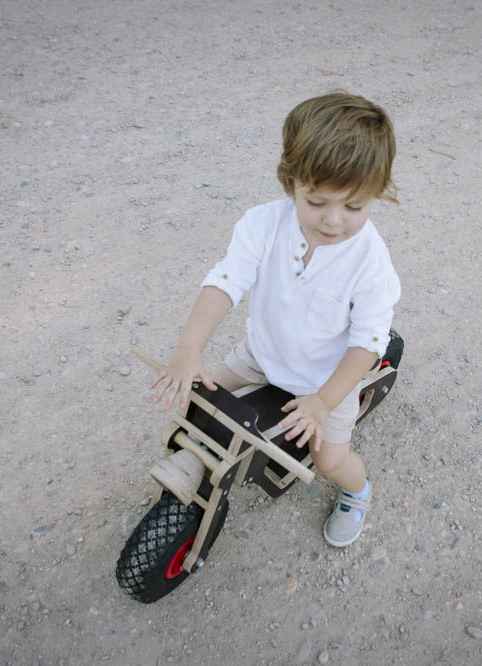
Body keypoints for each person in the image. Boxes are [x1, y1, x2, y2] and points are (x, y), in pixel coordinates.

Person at [150, 91, 401, 547]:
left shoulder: (370, 262)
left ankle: (357, 492)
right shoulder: (264, 224)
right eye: (318, 201)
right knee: (204, 401)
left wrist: (324, 402)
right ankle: (201, 462)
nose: (333, 221)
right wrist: (190, 349)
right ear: (292, 182)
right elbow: (225, 281)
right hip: (262, 353)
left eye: (354, 207)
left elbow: (367, 342)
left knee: (328, 460)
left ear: (376, 195)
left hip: (325, 378)